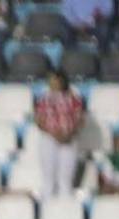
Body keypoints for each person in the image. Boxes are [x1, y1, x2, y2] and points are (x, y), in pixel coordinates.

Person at [34, 70, 85, 200]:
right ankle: (47, 209)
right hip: (49, 139)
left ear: (62, 81)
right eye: (51, 81)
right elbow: (39, 121)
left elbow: (80, 120)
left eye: (55, 80)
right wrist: (53, 133)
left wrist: (68, 134)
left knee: (65, 180)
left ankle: (65, 209)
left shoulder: (74, 98)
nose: (53, 83)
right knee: (48, 179)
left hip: (69, 139)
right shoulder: (43, 98)